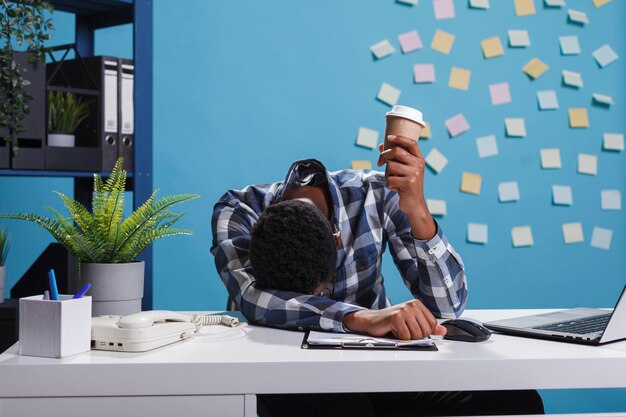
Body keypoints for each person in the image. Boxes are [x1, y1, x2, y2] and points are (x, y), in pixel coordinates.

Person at [211, 135, 544, 416]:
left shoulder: (375, 195)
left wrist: (416, 209)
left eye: (323, 286)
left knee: (512, 399)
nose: (319, 295)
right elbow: (253, 298)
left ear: (336, 238)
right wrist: (359, 318)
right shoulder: (238, 211)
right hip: (290, 373)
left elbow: (448, 307)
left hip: (379, 365)